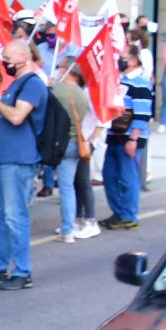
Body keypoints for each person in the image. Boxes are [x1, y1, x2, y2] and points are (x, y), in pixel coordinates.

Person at [0, 39, 48, 290]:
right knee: (2, 216)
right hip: (5, 158)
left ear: (23, 58)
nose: (4, 61)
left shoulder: (33, 84)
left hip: (19, 159)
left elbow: (17, 117)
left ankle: (22, 271)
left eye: (8, 57)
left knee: (15, 217)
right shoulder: (16, 84)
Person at [100, 44, 152, 233]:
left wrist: (134, 139)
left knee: (127, 176)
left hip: (129, 137)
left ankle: (129, 215)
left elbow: (143, 113)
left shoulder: (141, 82)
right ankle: (119, 212)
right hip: (115, 134)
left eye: (124, 57)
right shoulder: (119, 80)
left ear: (134, 60)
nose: (120, 61)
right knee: (109, 175)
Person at [57, 61, 100, 239]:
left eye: (61, 67)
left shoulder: (84, 93)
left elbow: (101, 120)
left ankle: (87, 220)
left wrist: (92, 139)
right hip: (80, 140)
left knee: (80, 182)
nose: (59, 70)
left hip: (78, 141)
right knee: (75, 183)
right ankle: (76, 220)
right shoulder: (82, 93)